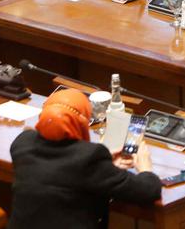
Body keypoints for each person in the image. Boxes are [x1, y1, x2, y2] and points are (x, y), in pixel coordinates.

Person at [9, 89, 162, 228]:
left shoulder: (22, 144)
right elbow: (148, 191)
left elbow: (60, 169)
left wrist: (104, 163)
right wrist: (145, 168)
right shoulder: (88, 159)